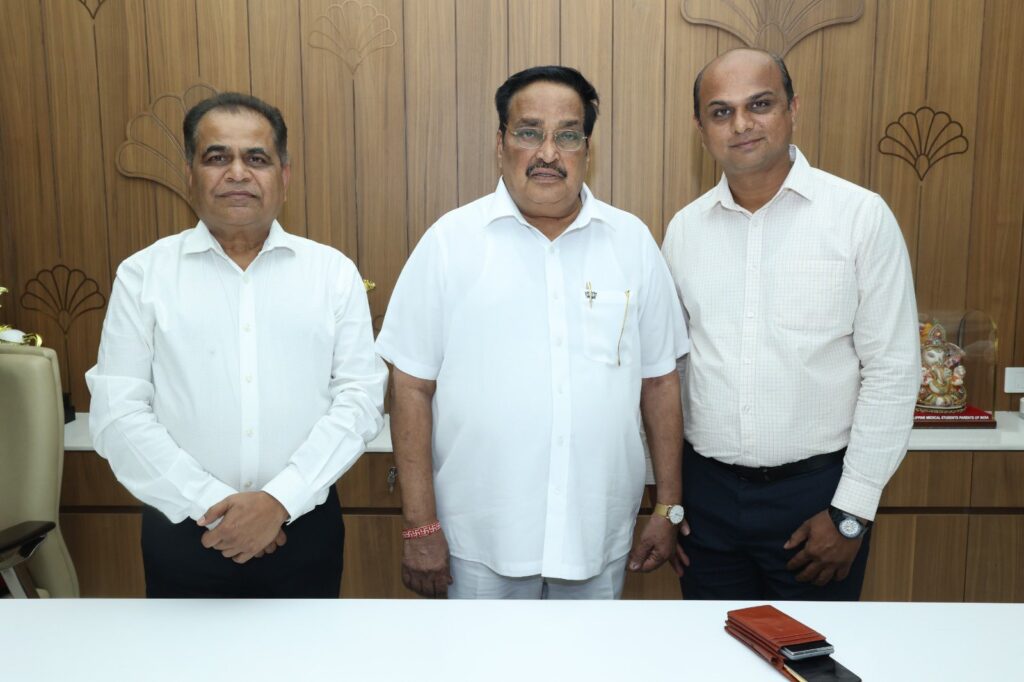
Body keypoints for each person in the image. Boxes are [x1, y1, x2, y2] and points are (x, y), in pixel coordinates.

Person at [376, 65, 689, 599]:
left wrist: (668, 507)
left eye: (567, 135)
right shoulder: (450, 242)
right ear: (500, 143)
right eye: (529, 132)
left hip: (596, 534)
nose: (548, 153)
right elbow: (410, 387)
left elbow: (659, 382)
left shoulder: (631, 242)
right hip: (479, 539)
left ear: (587, 148)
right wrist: (420, 526)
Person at [86, 93, 387, 598]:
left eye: (257, 158)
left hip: (302, 527)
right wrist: (213, 505)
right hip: (183, 530)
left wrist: (278, 501)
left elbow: (359, 399)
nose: (238, 173)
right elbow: (118, 412)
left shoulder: (332, 274)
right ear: (190, 174)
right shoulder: (143, 275)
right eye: (217, 157)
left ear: (284, 176)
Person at [662, 48, 919, 600]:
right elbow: (672, 371)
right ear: (701, 129)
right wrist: (670, 500)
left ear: (792, 109)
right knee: (709, 646)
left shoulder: (859, 217)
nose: (741, 124)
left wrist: (851, 514)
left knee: (812, 647)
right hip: (706, 502)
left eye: (759, 104)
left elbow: (893, 371)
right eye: (721, 111)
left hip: (818, 501)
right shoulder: (685, 230)